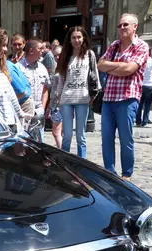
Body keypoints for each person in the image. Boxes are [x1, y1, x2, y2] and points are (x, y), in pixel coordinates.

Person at [97, 13, 149, 181]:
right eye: (120, 25)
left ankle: (127, 173)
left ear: (135, 26)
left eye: (125, 25)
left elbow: (130, 70)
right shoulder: (114, 45)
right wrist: (121, 66)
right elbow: (100, 64)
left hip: (127, 98)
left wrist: (114, 68)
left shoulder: (141, 46)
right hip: (108, 98)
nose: (122, 28)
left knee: (126, 138)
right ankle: (110, 172)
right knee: (106, 138)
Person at [49, 26, 100, 157]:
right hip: (67, 99)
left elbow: (95, 74)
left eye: (79, 37)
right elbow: (61, 78)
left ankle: (82, 163)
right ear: (70, 40)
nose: (76, 40)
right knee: (67, 135)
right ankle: (66, 161)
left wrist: (94, 94)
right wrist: (59, 97)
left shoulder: (89, 55)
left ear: (83, 38)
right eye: (73, 37)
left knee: (80, 136)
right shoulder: (66, 56)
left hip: (82, 98)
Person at [17, 39, 50, 142]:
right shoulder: (18, 68)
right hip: (24, 112)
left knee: (40, 144)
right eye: (40, 49)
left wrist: (43, 108)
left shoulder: (42, 68)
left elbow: (45, 89)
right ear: (31, 51)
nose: (42, 51)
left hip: (39, 112)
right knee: (23, 143)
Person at [136, 46, 152, 127]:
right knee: (147, 104)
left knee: (139, 104)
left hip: (141, 84)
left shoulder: (140, 60)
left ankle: (138, 121)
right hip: (149, 85)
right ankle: (145, 122)